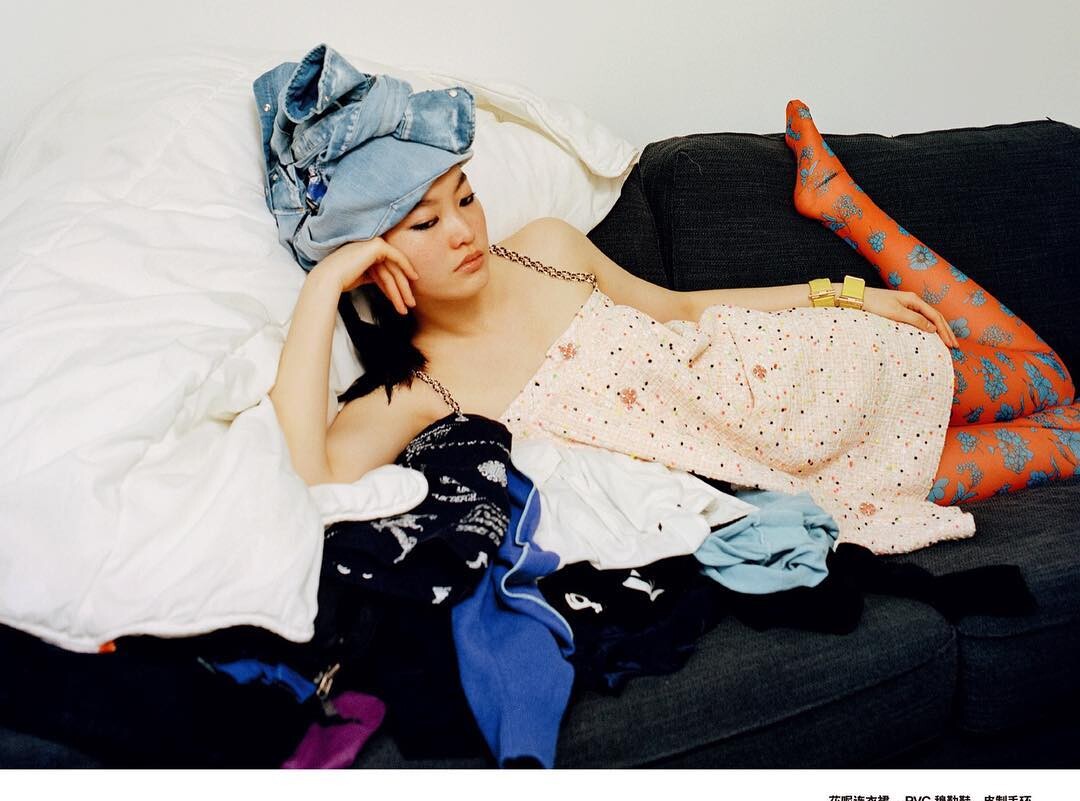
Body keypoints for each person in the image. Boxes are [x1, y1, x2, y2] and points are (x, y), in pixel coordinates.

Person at [269, 100, 1079, 552]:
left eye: (466, 198)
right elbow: (310, 476)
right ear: (373, 256)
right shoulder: (420, 391)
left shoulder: (544, 248)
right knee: (1071, 430)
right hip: (798, 476)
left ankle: (848, 209)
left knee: (1053, 380)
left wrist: (841, 295)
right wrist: (325, 283)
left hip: (817, 373)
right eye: (424, 223)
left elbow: (686, 309)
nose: (462, 231)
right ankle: (841, 203)